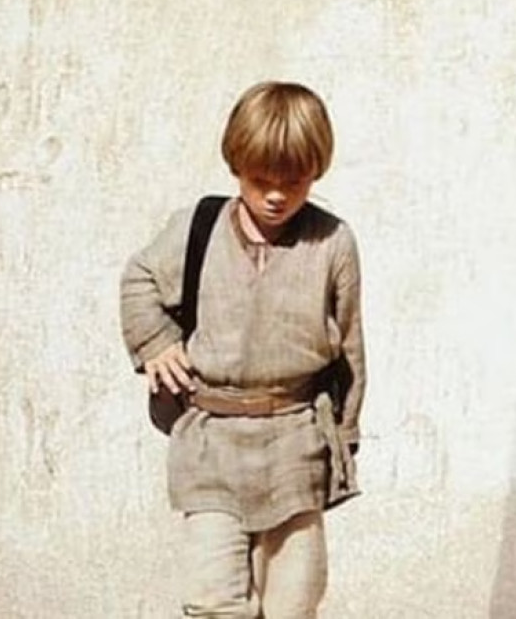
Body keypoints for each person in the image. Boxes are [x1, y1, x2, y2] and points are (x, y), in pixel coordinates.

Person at [120, 81, 366, 618]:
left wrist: (342, 444)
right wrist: (156, 343)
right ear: (237, 166)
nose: (276, 195)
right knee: (212, 600)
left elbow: (350, 350)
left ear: (316, 171)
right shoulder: (199, 228)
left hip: (295, 443)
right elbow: (139, 279)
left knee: (292, 604)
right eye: (261, 181)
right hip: (212, 443)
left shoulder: (333, 243)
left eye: (294, 182)